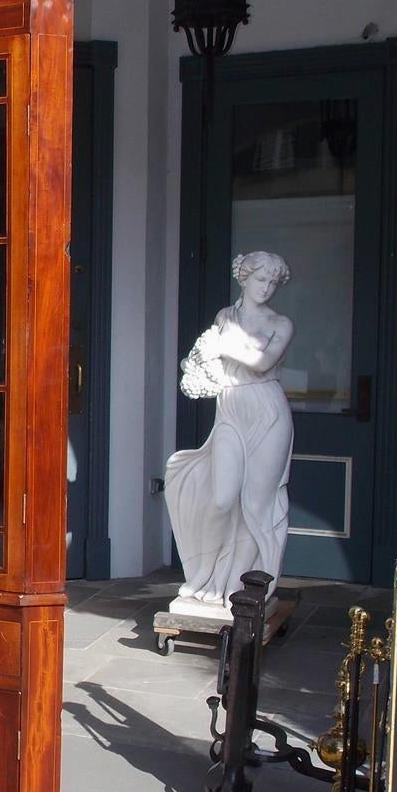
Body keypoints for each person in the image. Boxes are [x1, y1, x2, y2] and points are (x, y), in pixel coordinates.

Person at [166, 250, 294, 611]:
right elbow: (206, 360)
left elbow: (263, 361)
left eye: (272, 282)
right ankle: (205, 574)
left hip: (268, 412)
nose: (266, 287)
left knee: (255, 503)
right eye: (260, 279)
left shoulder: (281, 324)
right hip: (231, 409)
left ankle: (237, 585)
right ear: (244, 278)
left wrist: (220, 346)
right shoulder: (226, 317)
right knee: (222, 498)